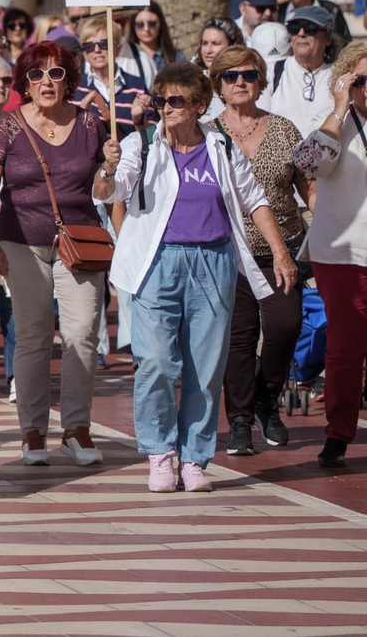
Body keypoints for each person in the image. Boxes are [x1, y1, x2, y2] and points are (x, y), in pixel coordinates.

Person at [100, 62, 297, 491]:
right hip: (159, 262)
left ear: (199, 106)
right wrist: (107, 168)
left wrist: (281, 252)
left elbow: (254, 198)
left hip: (214, 261)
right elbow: (112, 190)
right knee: (155, 362)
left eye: (175, 100)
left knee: (205, 366)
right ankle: (159, 451)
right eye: (160, 100)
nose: (165, 108)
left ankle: (194, 458)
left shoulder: (220, 146)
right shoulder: (141, 144)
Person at [0, 41, 112, 467]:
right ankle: (32, 431)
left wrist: (108, 167)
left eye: (56, 73)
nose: (46, 82)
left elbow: (105, 192)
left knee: (81, 335)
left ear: (69, 79)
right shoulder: (7, 127)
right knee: (33, 336)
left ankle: (77, 429)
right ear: (25, 83)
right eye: (36, 75)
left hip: (80, 242)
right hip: (20, 242)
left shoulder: (92, 124)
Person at [205, 46, 311, 456]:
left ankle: (268, 401)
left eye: (248, 74)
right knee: (239, 338)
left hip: (281, 246)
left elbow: (307, 186)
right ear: (218, 84)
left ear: (261, 80)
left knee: (286, 327)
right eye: (230, 76)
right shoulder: (207, 133)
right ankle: (240, 420)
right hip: (228, 252)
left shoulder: (285, 130)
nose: (239, 83)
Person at [292, 39, 367, 469]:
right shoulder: (337, 124)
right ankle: (339, 434)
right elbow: (308, 161)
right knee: (345, 349)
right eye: (362, 79)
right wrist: (339, 108)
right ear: (346, 81)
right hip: (342, 255)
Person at [258, 4, 337, 135]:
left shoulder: (339, 75)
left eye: (310, 29)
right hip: (280, 154)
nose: (301, 34)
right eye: (294, 28)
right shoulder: (272, 72)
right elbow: (258, 124)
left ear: (327, 38)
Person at [75, 14, 150, 139]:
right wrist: (80, 117)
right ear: (85, 54)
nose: (97, 50)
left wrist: (139, 120)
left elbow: (152, 137)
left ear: (117, 49)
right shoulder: (75, 89)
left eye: (104, 44)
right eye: (89, 46)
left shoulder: (136, 86)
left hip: (129, 157)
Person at [119, 2, 184, 85]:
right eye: (140, 24)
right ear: (133, 25)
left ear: (161, 23)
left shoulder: (177, 57)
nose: (146, 28)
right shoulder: (125, 57)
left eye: (152, 23)